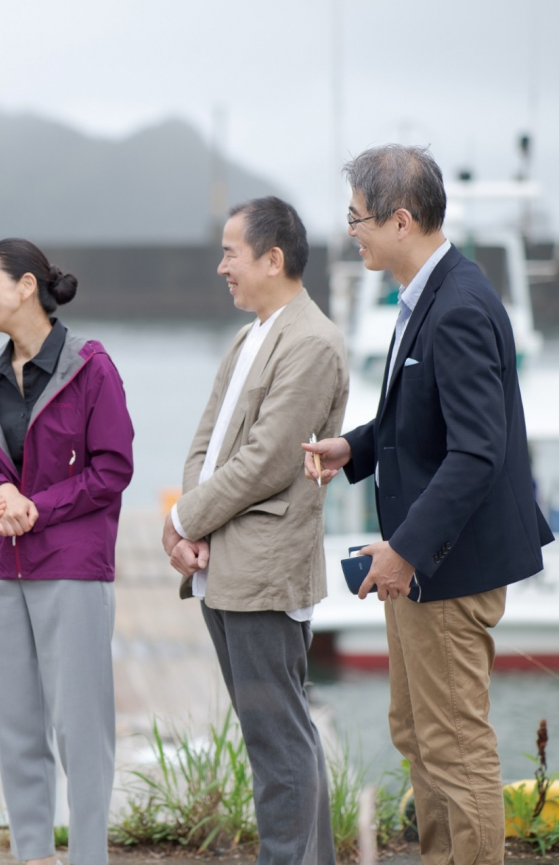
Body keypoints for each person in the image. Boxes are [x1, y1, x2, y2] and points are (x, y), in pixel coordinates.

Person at [303, 145, 554, 865]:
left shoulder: (460, 306)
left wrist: (404, 548)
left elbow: (479, 450)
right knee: (418, 732)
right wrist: (355, 447)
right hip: (424, 568)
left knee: (453, 742)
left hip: (448, 566)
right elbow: (418, 420)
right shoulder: (428, 296)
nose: (352, 230)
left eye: (358, 218)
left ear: (401, 220)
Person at [161, 196, 348, 865]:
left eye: (231, 253)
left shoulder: (313, 342)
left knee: (279, 743)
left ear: (273, 258)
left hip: (266, 570)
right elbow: (207, 443)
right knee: (275, 734)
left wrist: (183, 519)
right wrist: (189, 523)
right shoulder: (251, 336)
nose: (222, 267)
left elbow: (268, 460)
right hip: (225, 566)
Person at [0, 239, 134, 865]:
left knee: (81, 732)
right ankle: (32, 855)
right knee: (16, 729)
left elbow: (113, 470)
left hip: (72, 569)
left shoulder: (92, 368)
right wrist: (0, 487)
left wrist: (40, 507)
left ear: (27, 286)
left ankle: (89, 857)